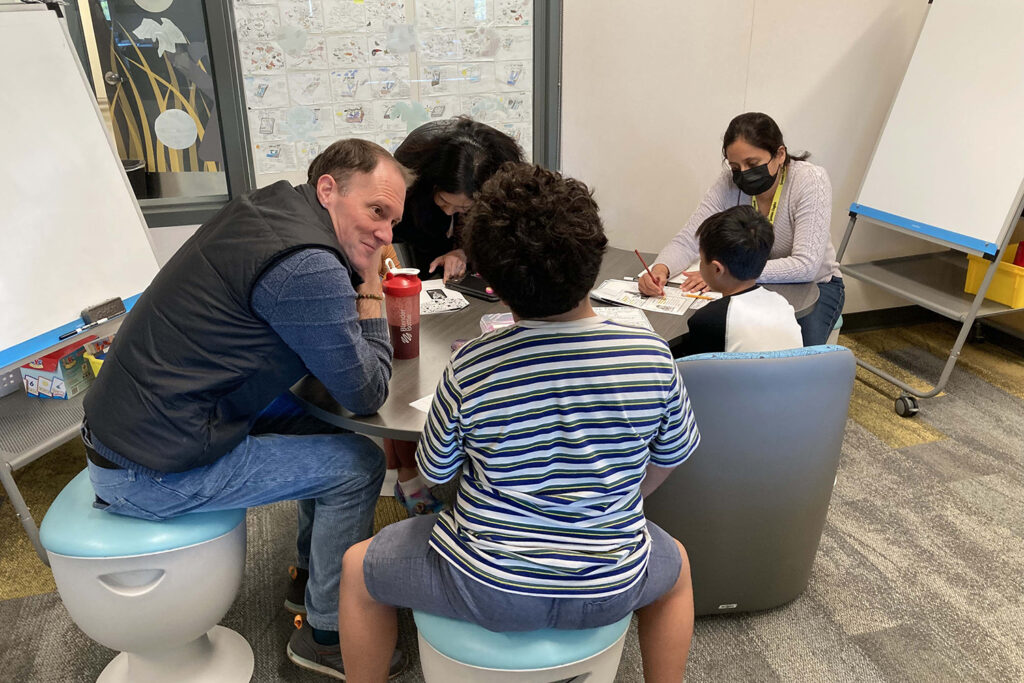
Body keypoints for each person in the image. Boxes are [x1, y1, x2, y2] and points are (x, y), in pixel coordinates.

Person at [338, 163, 702, 683]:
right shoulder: (650, 355)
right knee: (678, 566)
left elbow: (436, 475)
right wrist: (607, 500)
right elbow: (670, 458)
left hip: (488, 585)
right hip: (610, 583)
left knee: (357, 568)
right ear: (595, 259)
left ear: (497, 287)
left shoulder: (472, 365)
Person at [80, 139, 412, 679]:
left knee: (320, 435)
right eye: (377, 212)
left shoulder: (269, 206)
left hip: (135, 425)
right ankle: (326, 635)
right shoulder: (308, 267)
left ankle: (310, 578)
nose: (385, 234)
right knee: (359, 467)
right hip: (149, 472)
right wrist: (371, 285)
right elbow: (367, 392)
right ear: (328, 189)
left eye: (393, 221)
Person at [638, 112, 844, 346]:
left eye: (752, 164)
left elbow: (806, 265)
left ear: (779, 155)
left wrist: (733, 274)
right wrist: (660, 269)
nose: (743, 173)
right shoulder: (729, 181)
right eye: (735, 166)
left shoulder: (809, 180)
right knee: (702, 336)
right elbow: (689, 239)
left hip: (814, 288)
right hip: (749, 285)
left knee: (795, 357)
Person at [391, 116, 523, 282]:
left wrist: (464, 252)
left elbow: (500, 235)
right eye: (444, 201)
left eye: (463, 208)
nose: (448, 211)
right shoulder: (411, 170)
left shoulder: (504, 175)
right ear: (434, 185)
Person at [671, 205, 802, 357]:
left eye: (701, 259)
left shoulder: (709, 319)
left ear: (717, 269)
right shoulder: (782, 304)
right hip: (793, 380)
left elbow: (694, 370)